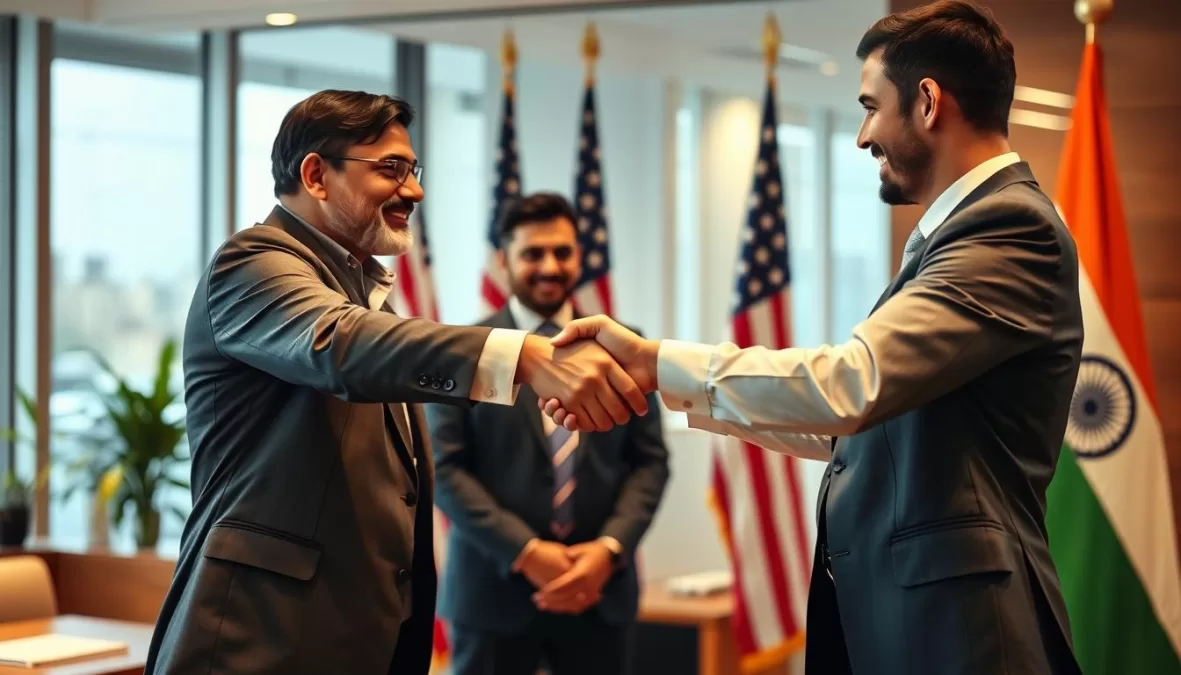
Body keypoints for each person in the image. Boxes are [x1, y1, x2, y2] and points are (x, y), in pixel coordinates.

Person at [540, 2, 1085, 674]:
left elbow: (851, 385)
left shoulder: (1006, 226)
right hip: (918, 622)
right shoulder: (959, 232)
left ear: (926, 102)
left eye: (868, 105)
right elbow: (852, 429)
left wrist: (657, 361)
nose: (861, 137)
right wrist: (665, 383)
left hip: (957, 632)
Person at [143, 90, 650, 675]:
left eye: (413, 169)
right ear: (316, 175)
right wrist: (525, 357)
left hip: (357, 638)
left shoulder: (363, 296)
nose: (414, 190)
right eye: (391, 169)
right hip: (259, 640)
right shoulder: (252, 262)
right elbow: (337, 346)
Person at [424, 192, 670, 675]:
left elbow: (650, 462)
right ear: (504, 261)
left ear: (580, 255)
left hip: (598, 592)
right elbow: (445, 470)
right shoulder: (465, 350)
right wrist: (527, 553)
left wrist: (607, 551)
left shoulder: (625, 346)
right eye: (532, 253)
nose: (549, 266)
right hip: (491, 597)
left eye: (562, 252)